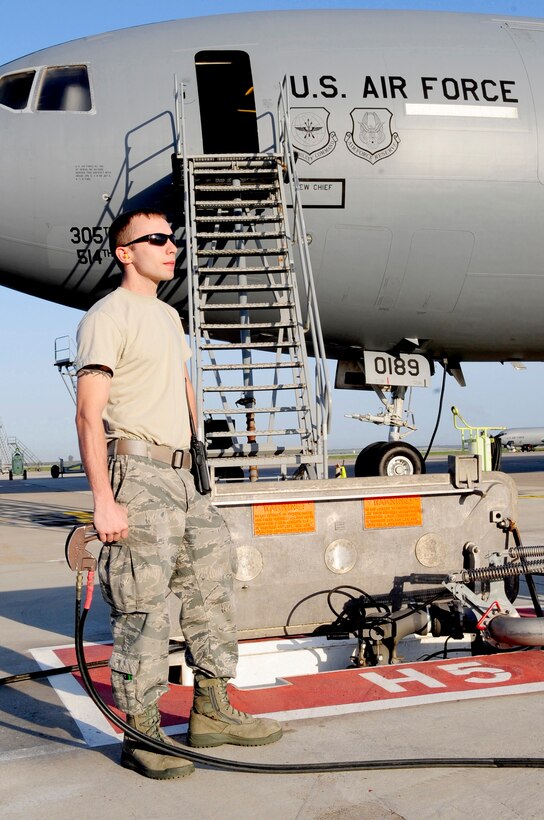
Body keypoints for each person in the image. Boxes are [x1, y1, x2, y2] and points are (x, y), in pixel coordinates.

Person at [75, 208, 282, 780]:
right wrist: (104, 499)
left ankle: (212, 710)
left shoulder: (168, 316)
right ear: (125, 253)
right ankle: (141, 730)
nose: (172, 246)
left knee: (210, 590)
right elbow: (89, 415)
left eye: (173, 238)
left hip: (183, 475)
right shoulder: (106, 316)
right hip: (137, 474)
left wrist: (198, 452)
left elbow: (184, 384)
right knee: (143, 607)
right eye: (157, 239)